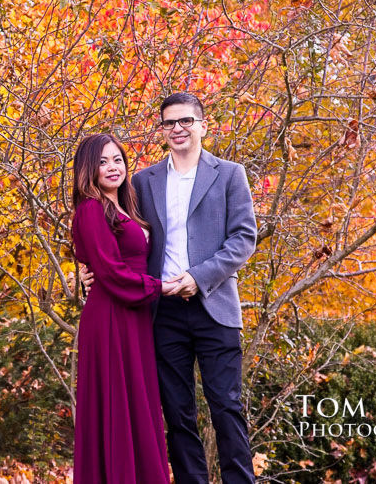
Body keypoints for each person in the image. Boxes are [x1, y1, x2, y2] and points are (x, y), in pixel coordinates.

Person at [82, 92, 258, 484]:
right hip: (162, 315)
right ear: (162, 130)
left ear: (202, 125)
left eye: (186, 121)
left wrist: (199, 277)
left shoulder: (230, 174)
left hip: (214, 306)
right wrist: (88, 268)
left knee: (226, 407)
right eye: (169, 123)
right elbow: (114, 231)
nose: (178, 129)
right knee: (177, 414)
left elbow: (244, 238)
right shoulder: (142, 181)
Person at [70, 133, 179, 484]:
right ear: (89, 169)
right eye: (102, 162)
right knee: (117, 403)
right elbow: (110, 271)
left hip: (136, 316)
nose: (112, 167)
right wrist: (160, 286)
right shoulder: (90, 208)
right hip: (112, 316)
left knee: (138, 405)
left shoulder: (125, 205)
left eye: (117, 159)